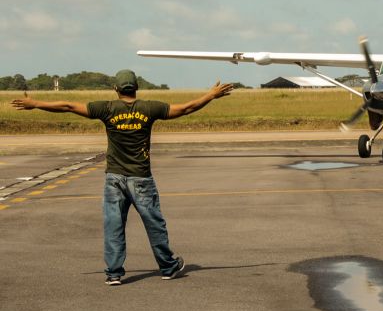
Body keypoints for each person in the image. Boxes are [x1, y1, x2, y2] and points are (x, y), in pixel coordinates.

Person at [11, 70, 234, 285]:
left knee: (113, 225)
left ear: (115, 89)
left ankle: (114, 273)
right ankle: (168, 266)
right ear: (136, 87)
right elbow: (186, 108)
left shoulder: (107, 108)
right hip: (141, 178)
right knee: (154, 223)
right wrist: (210, 95)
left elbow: (68, 106)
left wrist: (36, 104)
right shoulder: (149, 108)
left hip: (114, 179)